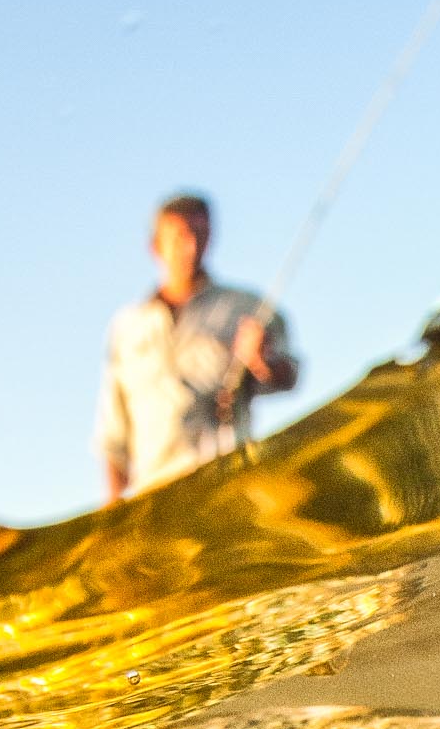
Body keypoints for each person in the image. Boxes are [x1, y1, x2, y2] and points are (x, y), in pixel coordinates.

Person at [97, 194, 301, 501]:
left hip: (228, 486)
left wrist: (263, 361)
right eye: (180, 236)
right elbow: (113, 433)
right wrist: (112, 512)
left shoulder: (246, 308)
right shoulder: (127, 326)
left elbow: (289, 376)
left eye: (201, 235)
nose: (191, 247)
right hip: (153, 495)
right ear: (155, 246)